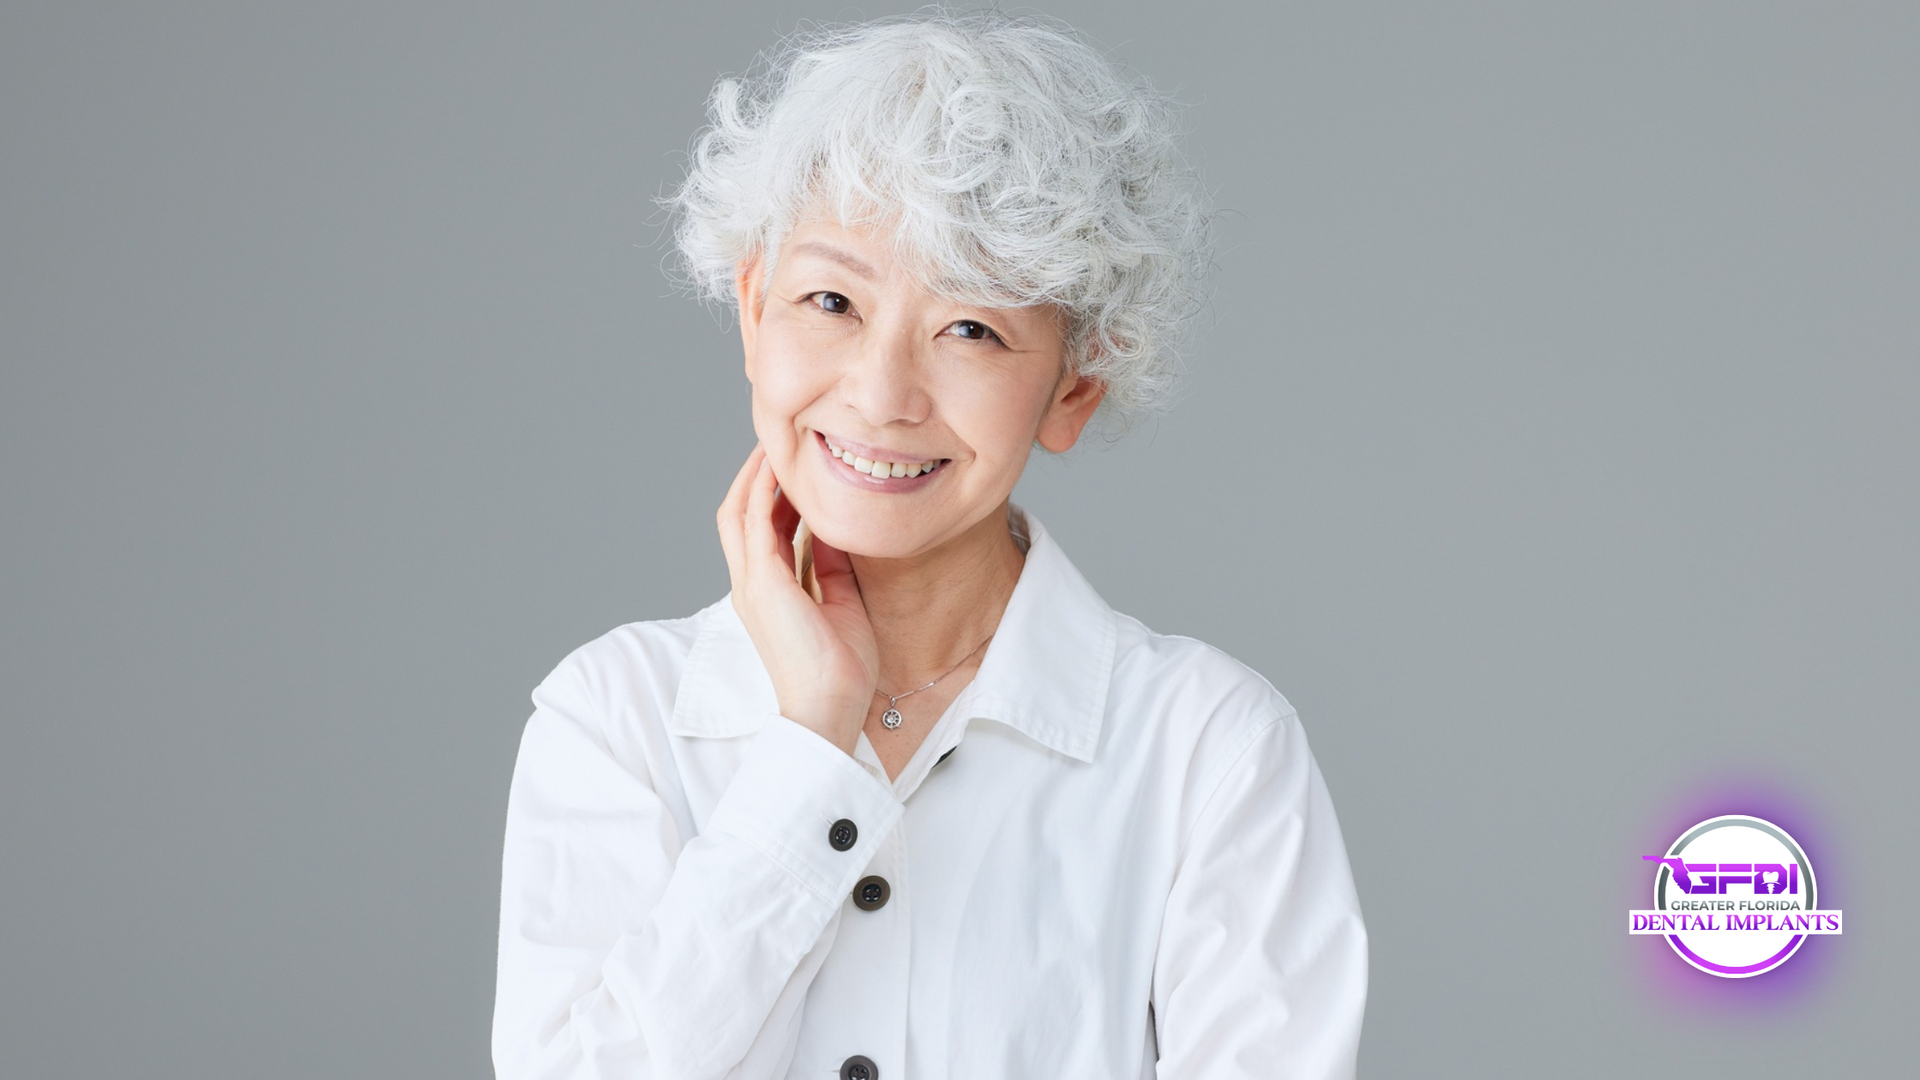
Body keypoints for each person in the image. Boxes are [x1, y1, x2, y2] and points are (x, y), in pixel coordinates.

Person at [492, 11, 1367, 1079]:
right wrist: (809, 751)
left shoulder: (1209, 753)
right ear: (753, 309)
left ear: (1074, 388)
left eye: (972, 330)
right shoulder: (614, 719)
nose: (881, 395)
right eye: (830, 301)